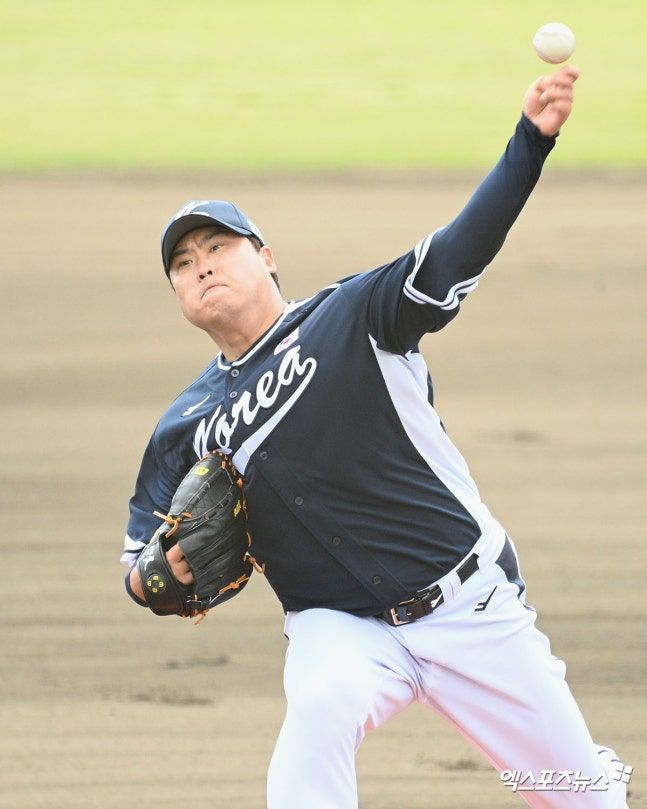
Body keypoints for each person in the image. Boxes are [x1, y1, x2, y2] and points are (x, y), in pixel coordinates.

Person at [121, 66, 630, 808]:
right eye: (183, 263)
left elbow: (457, 250)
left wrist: (531, 140)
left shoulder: (354, 315)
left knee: (581, 796)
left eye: (217, 248)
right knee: (319, 710)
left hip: (468, 605)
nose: (201, 267)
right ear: (177, 293)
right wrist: (154, 577)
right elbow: (139, 560)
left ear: (266, 256)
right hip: (338, 629)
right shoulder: (185, 425)